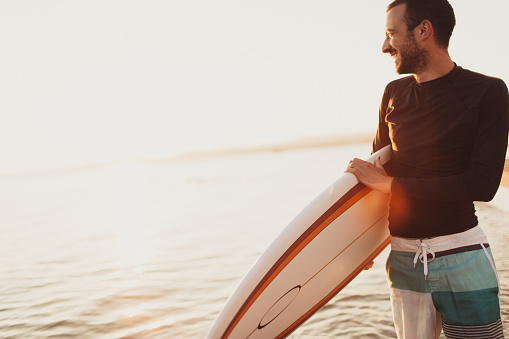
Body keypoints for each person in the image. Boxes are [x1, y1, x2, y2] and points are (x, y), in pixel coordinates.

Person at [345, 0, 509, 338]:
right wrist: (357, 246)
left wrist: (394, 186)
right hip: (404, 260)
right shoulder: (393, 93)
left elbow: (482, 184)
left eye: (392, 33)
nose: (384, 45)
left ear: (423, 31)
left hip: (462, 252)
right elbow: (377, 176)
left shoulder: (488, 91)